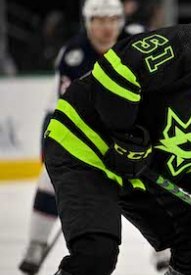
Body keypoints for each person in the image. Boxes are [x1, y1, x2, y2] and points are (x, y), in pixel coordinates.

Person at [42, 0, 191, 274]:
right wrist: (125, 133)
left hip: (139, 166)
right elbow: (115, 72)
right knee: (95, 255)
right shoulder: (185, 43)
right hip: (84, 148)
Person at [18, 0, 141, 274]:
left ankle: (167, 250)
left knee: (149, 184)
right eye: (99, 20)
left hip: (125, 129)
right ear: (88, 23)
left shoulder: (136, 41)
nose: (107, 27)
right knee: (49, 179)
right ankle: (36, 244)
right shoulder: (73, 55)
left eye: (112, 19)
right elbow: (71, 117)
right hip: (68, 125)